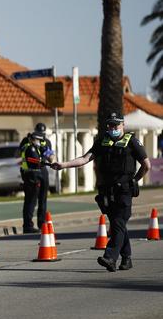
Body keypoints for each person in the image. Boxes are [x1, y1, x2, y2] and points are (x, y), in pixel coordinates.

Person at [52, 112, 151, 272]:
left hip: (124, 190)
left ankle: (110, 257)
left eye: (116, 125)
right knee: (118, 224)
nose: (113, 128)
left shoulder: (132, 142)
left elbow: (147, 165)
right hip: (107, 190)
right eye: (110, 125)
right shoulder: (102, 142)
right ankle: (126, 258)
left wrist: (135, 180)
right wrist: (63, 165)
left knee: (118, 223)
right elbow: (85, 159)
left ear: (123, 125)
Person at [20, 131, 51, 233]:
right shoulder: (30, 148)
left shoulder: (37, 148)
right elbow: (33, 160)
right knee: (31, 201)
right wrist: (42, 162)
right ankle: (28, 225)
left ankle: (37, 223)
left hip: (34, 175)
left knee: (37, 200)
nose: (40, 142)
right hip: (31, 176)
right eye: (38, 140)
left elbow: (49, 155)